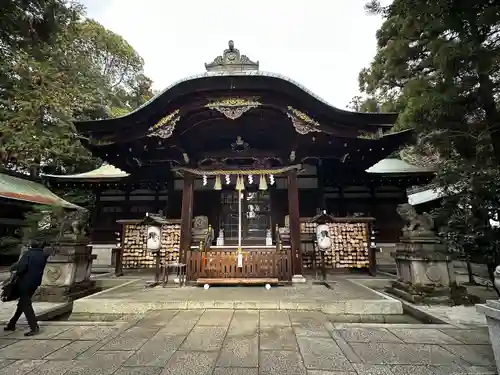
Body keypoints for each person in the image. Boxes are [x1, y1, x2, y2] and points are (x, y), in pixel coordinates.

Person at [4, 239, 50, 336]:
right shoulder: (43, 255)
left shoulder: (28, 254)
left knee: (25, 304)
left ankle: (34, 327)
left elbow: (21, 268)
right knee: (22, 303)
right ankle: (12, 323)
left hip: (24, 282)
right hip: (35, 282)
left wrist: (15, 271)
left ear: (30, 246)